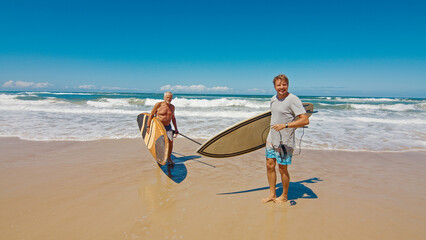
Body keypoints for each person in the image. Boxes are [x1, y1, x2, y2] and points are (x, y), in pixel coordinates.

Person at [262, 74, 309, 203]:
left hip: (285, 142)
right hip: (271, 139)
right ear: (274, 86)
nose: (281, 87)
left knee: (282, 168)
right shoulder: (273, 99)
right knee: (269, 165)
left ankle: (284, 195)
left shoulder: (293, 99)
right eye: (278, 85)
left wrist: (286, 125)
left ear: (288, 85)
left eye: (284, 84)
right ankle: (272, 194)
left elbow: (305, 120)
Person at [147, 91, 179, 165]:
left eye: (170, 97)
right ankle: (159, 157)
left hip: (168, 126)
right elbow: (151, 115)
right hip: (159, 127)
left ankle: (169, 158)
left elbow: (173, 118)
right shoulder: (158, 105)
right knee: (160, 142)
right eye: (167, 97)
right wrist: (148, 126)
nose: (169, 99)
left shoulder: (172, 107)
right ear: (164, 97)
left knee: (170, 141)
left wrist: (176, 129)